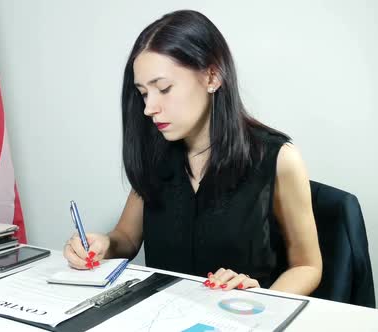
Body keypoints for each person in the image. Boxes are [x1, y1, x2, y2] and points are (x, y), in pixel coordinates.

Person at [64, 9, 322, 295]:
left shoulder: (278, 158)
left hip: (240, 319)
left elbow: (307, 266)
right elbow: (126, 237)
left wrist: (263, 299)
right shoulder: (156, 154)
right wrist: (104, 244)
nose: (149, 108)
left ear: (212, 76)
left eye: (164, 88)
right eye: (143, 93)